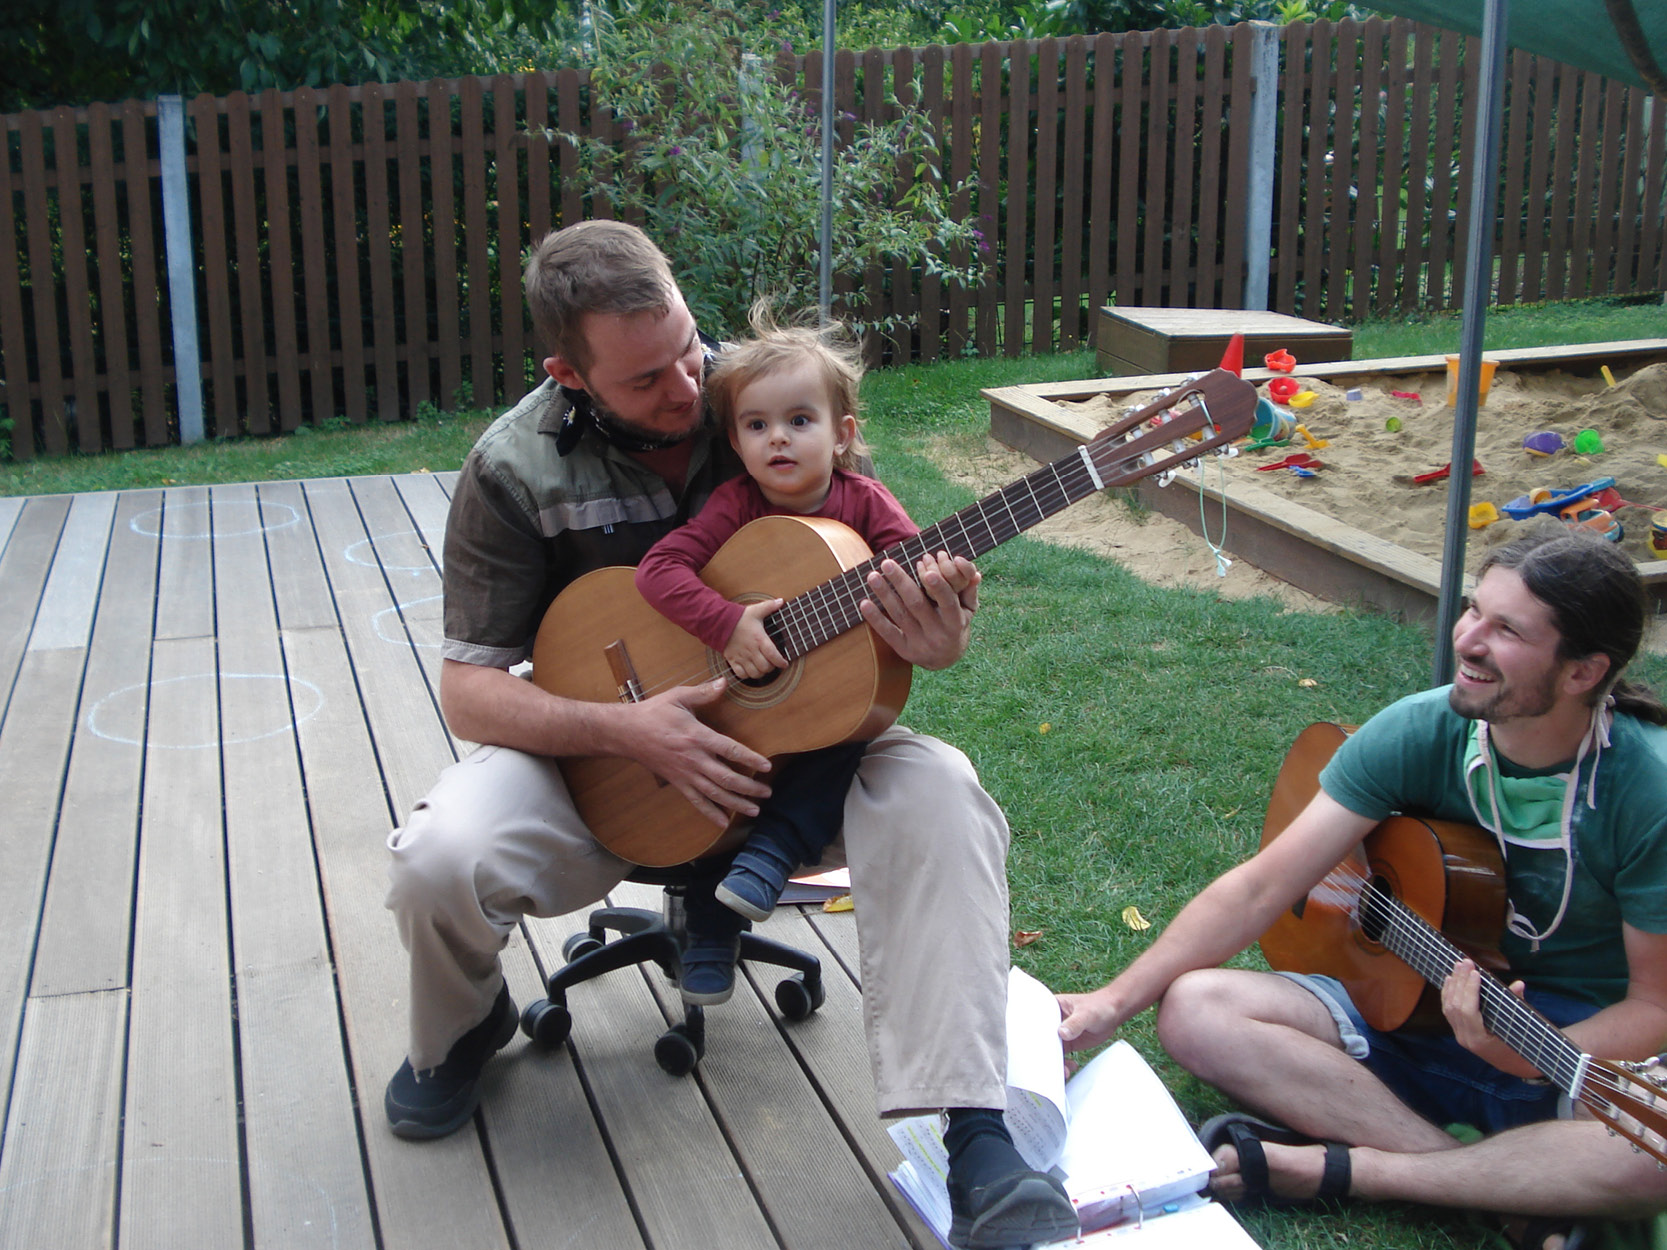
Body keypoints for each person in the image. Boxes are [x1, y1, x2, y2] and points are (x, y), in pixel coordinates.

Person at [382, 220, 1079, 1250]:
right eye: (643, 379)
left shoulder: (760, 394)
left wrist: (934, 634)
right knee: (440, 852)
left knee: (942, 791)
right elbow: (469, 691)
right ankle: (461, 1028)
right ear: (567, 374)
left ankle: (975, 1133)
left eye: (686, 346)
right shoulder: (512, 465)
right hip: (610, 766)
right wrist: (626, 729)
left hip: (796, 764)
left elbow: (865, 581)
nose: (685, 388)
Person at [1055, 526, 1667, 1250]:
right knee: (1195, 1007)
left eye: (1506, 630)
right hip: (1402, 1020)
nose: (1466, 639)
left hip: (1572, 1048)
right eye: (1473, 609)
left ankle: (1348, 1169)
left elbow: (1653, 1006)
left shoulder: (1645, 786)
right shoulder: (1421, 729)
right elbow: (1260, 888)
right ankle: (1494, 1183)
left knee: (1655, 1148)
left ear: (1580, 671)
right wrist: (1115, 1000)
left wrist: (1534, 1051)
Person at [633, 313, 917, 1003]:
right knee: (718, 766)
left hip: (828, 705)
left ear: (842, 432)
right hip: (726, 700)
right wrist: (727, 623)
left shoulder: (866, 505)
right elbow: (659, 570)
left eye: (798, 419)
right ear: (734, 441)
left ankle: (770, 856)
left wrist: (945, 588)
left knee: (842, 741)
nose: (778, 438)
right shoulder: (736, 506)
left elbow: (921, 564)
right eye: (756, 426)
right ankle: (707, 926)